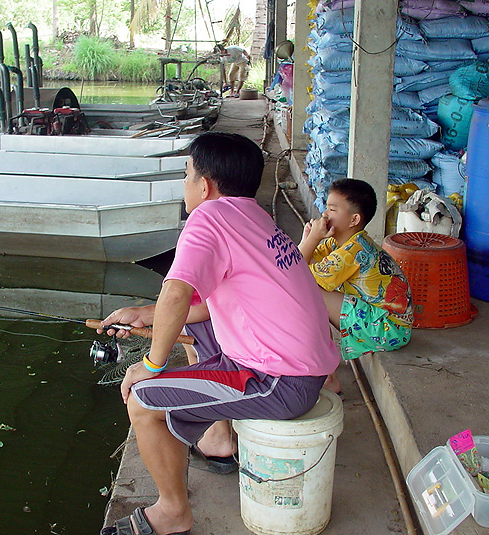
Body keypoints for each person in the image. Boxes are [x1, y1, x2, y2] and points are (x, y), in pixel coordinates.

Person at [98, 132, 340, 535]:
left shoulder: (207, 217)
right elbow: (210, 304)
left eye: (187, 174)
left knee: (141, 399)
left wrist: (151, 363)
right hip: (301, 368)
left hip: (277, 381)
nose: (185, 184)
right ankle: (217, 437)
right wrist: (145, 314)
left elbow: (176, 291)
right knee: (203, 324)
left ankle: (173, 513)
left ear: (205, 185)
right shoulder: (255, 216)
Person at [297, 178, 414, 394]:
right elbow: (301, 263)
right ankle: (326, 370)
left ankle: (328, 375)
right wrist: (309, 241)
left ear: (354, 219)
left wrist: (310, 240)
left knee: (307, 293)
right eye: (326, 207)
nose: (324, 215)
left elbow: (296, 274)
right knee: (310, 289)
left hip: (389, 329)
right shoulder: (339, 242)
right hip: (379, 318)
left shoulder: (353, 251)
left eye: (332, 209)